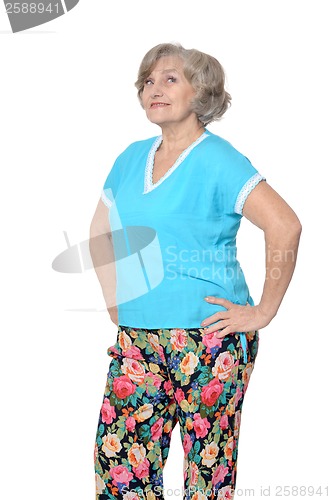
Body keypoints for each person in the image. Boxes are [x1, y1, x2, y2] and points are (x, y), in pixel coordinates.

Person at [89, 42, 302, 500]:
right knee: (122, 471)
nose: (154, 89)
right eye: (148, 81)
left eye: (169, 79)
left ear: (199, 92)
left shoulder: (219, 159)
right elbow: (100, 229)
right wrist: (114, 300)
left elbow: (284, 225)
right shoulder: (130, 158)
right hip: (138, 340)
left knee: (207, 476)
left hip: (210, 339)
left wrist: (262, 310)